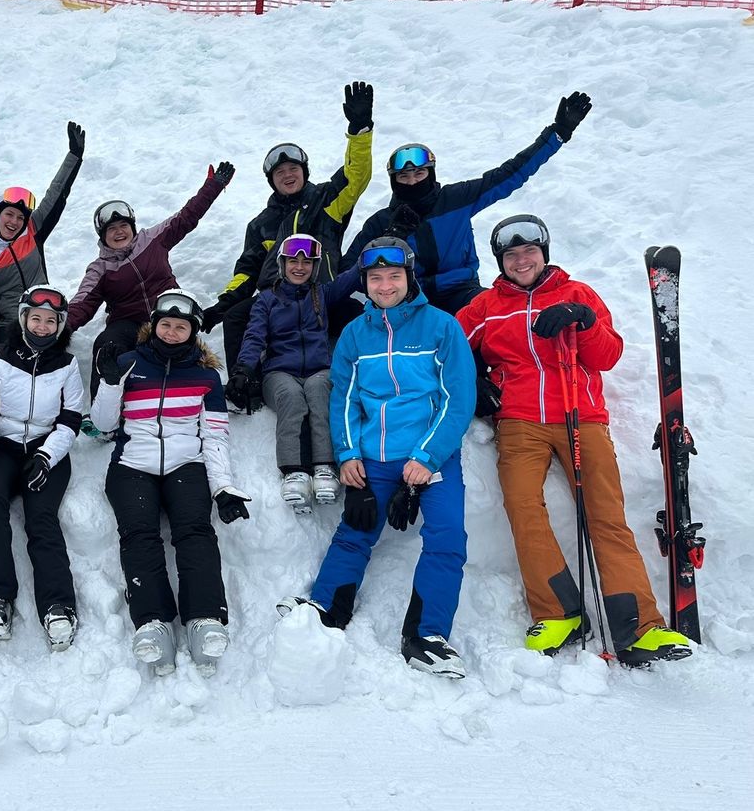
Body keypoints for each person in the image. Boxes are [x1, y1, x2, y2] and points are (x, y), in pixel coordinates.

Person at [457, 215, 692, 666]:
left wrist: (583, 321)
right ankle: (559, 612)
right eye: (511, 255)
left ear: (544, 254)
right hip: (519, 421)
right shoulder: (486, 306)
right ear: (500, 263)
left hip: (580, 416)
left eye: (529, 252)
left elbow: (608, 355)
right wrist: (478, 382)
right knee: (524, 508)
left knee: (606, 516)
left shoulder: (577, 293)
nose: (521, 261)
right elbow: (447, 349)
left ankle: (639, 625)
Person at [280, 237, 475, 678]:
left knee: (447, 538)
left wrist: (427, 456)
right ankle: (327, 608)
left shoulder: (442, 327)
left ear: (409, 277)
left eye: (393, 276)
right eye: (375, 278)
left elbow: (457, 399)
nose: (385, 286)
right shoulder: (354, 334)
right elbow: (344, 400)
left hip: (432, 457)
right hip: (374, 457)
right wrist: (348, 453)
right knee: (355, 530)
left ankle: (427, 635)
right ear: (365, 282)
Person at [90, 289, 252, 677]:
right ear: (154, 326)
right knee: (139, 535)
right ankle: (153, 621)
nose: (173, 332)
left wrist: (222, 487)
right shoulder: (128, 364)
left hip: (186, 464)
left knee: (195, 532)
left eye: (182, 327)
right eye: (166, 324)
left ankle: (205, 617)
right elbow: (102, 424)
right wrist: (111, 384)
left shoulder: (206, 376)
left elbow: (214, 436)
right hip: (132, 465)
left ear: (193, 331)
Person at [339, 91, 592, 315]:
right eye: (403, 177)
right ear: (394, 182)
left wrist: (557, 134)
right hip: (407, 299)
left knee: (503, 315)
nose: (412, 181)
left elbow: (510, 174)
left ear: (431, 173)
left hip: (461, 292)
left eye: (419, 174)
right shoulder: (382, 222)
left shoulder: (455, 199)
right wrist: (391, 241)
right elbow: (349, 271)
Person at [204, 82, 374, 372]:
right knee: (236, 316)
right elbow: (246, 270)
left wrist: (359, 131)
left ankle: (371, 378)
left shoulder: (327, 201)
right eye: (279, 172)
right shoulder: (261, 224)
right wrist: (223, 304)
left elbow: (354, 176)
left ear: (304, 173)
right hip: (278, 300)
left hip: (323, 294)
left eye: (293, 169)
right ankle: (242, 384)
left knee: (359, 316)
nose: (287, 174)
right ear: (272, 180)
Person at [0, 285, 86, 650]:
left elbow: (70, 420)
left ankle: (57, 604)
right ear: (23, 319)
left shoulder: (67, 364)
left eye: (52, 320)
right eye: (36, 318)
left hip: (43, 448)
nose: (43, 326)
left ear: (60, 325)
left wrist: (47, 455)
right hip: (0, 445)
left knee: (41, 518)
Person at [68, 161, 235, 400]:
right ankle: (103, 409)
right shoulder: (100, 269)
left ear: (132, 226)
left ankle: (202, 392)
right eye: (111, 229)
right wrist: (57, 328)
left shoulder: (152, 240)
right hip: (129, 323)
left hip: (167, 312)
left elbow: (186, 217)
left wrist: (214, 186)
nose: (119, 232)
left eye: (124, 225)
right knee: (108, 343)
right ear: (103, 236)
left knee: (182, 338)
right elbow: (82, 303)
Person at [229, 234, 349, 512]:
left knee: (320, 394)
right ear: (282, 265)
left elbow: (354, 276)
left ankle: (324, 467)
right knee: (292, 398)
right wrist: (244, 368)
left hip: (319, 369)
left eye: (307, 262)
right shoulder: (267, 300)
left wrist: (388, 240)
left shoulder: (322, 293)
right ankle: (293, 471)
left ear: (315, 267)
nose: (300, 266)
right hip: (279, 372)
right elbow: (254, 336)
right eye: (293, 260)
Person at [0, 122, 84, 350]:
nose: (14, 222)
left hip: (44, 309)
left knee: (53, 344)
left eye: (20, 218)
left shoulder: (32, 231)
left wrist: (74, 156)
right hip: (11, 320)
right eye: (9, 214)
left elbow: (56, 194)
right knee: (5, 343)